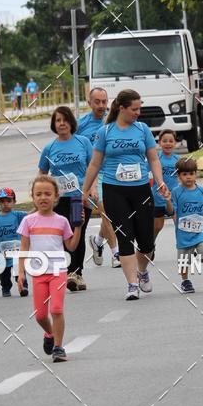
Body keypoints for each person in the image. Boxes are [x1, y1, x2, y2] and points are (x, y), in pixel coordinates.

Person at [81, 89, 169, 301]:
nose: (138, 113)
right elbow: (95, 163)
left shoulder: (142, 129)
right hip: (114, 190)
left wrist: (160, 182)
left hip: (141, 189)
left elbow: (153, 159)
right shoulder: (106, 132)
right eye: (134, 109)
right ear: (122, 108)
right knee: (124, 236)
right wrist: (85, 190)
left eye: (139, 108)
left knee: (146, 241)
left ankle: (142, 271)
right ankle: (132, 284)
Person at [17, 175, 83, 362]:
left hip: (58, 272)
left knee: (56, 309)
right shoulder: (28, 221)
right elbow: (24, 248)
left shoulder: (61, 221)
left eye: (47, 194)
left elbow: (71, 246)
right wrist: (20, 272)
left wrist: (78, 227)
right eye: (38, 194)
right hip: (38, 273)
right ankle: (50, 333)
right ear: (33, 197)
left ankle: (58, 348)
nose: (43, 197)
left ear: (56, 197)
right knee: (40, 316)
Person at [38, 106, 92, 292]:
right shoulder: (49, 148)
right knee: (63, 235)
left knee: (79, 232)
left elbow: (93, 167)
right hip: (59, 199)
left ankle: (77, 273)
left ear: (71, 122)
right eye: (58, 120)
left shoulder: (83, 142)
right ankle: (68, 272)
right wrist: (41, 194)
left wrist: (91, 189)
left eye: (65, 119)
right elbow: (42, 173)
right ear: (54, 124)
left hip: (80, 196)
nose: (61, 123)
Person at [77, 87, 120, 269]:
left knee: (112, 214)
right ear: (89, 102)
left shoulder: (113, 121)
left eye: (104, 101)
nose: (101, 105)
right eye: (97, 102)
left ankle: (98, 240)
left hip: (113, 172)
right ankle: (116, 253)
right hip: (94, 175)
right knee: (106, 212)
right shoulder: (81, 125)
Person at [165, 157, 203, 293]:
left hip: (200, 230)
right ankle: (185, 281)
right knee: (184, 260)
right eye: (184, 174)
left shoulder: (201, 191)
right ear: (179, 176)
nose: (188, 177)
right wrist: (168, 201)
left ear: (196, 174)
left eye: (191, 173)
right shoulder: (176, 192)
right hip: (183, 233)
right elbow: (171, 211)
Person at [152, 130, 180, 245]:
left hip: (174, 198)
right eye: (164, 141)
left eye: (171, 141)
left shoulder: (178, 160)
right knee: (157, 226)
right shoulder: (155, 158)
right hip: (158, 198)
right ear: (159, 143)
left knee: (179, 224)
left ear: (175, 143)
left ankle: (187, 246)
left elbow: (183, 176)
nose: (168, 143)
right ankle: (150, 245)